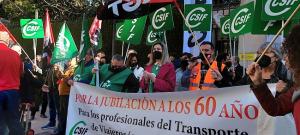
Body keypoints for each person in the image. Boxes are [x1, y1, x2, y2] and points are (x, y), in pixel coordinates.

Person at [247, 24, 300, 135]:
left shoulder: (290, 79)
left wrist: (285, 88)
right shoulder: (297, 88)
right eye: (260, 54)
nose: (285, 57)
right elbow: (276, 108)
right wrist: (259, 83)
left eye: (289, 52)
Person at [0, 31, 24, 135]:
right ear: (8, 41)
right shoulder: (16, 55)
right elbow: (21, 73)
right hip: (13, 92)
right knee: (14, 121)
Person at [56, 58, 77, 135]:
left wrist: (63, 75)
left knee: (65, 114)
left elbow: (70, 81)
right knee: (61, 114)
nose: (68, 61)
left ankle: (62, 131)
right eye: (68, 60)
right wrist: (59, 74)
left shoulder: (75, 69)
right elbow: (62, 78)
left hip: (67, 94)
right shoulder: (67, 68)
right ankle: (60, 129)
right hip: (62, 93)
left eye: (71, 59)